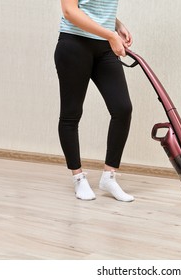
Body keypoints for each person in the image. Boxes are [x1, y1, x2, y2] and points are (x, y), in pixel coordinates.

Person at [54, 0, 134, 202]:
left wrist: (116, 25)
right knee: (71, 114)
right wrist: (110, 35)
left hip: (104, 48)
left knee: (122, 108)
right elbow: (70, 11)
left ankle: (108, 177)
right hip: (74, 44)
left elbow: (92, 6)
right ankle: (78, 178)